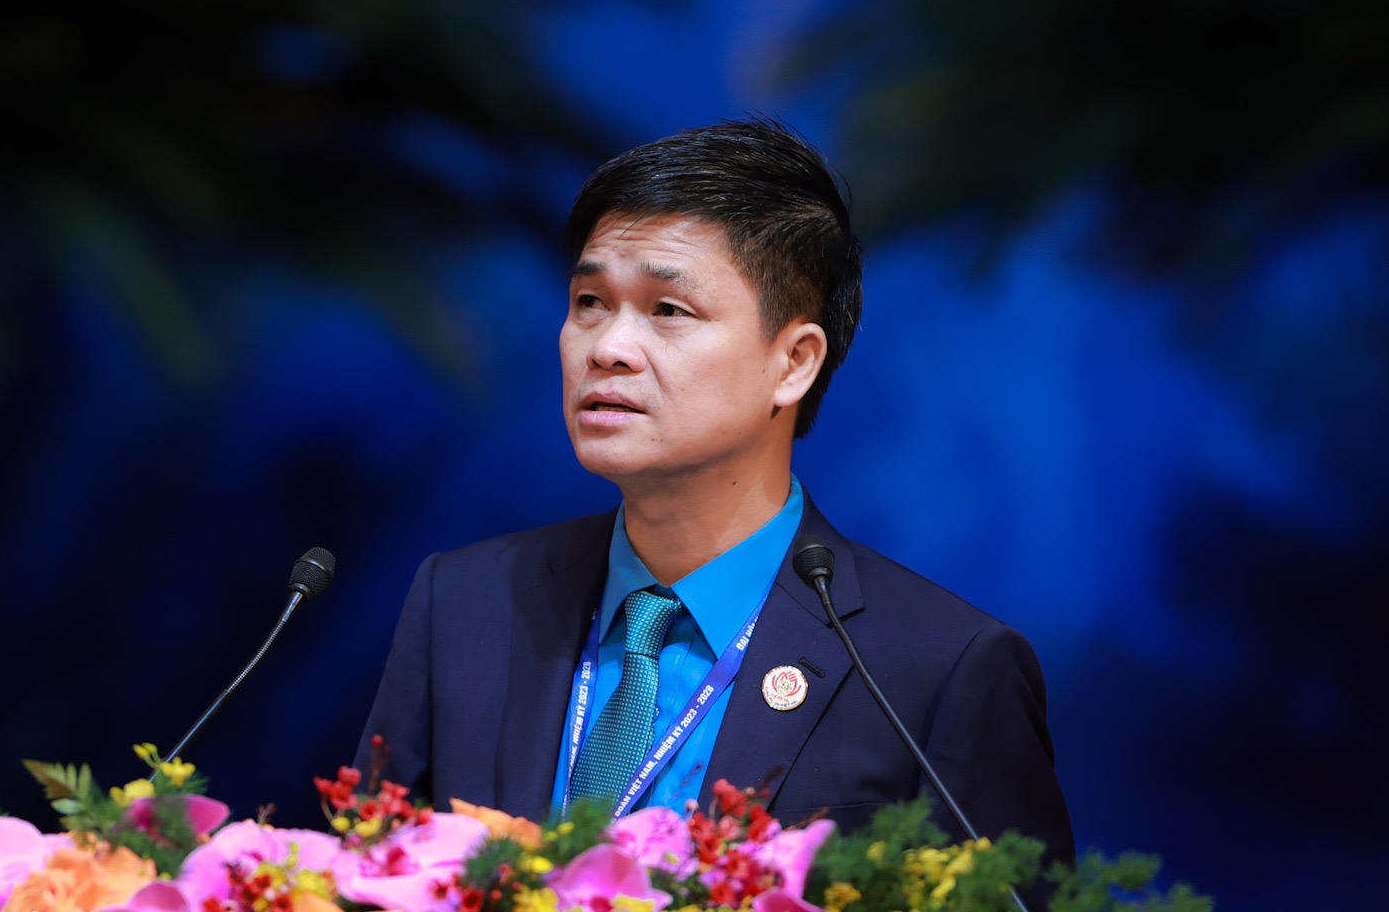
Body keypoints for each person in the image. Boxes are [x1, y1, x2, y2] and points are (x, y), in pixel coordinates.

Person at [356, 119, 1073, 865]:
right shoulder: (464, 605)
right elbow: (363, 895)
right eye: (589, 301)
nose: (607, 347)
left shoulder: (937, 668)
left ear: (793, 363)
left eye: (668, 310)